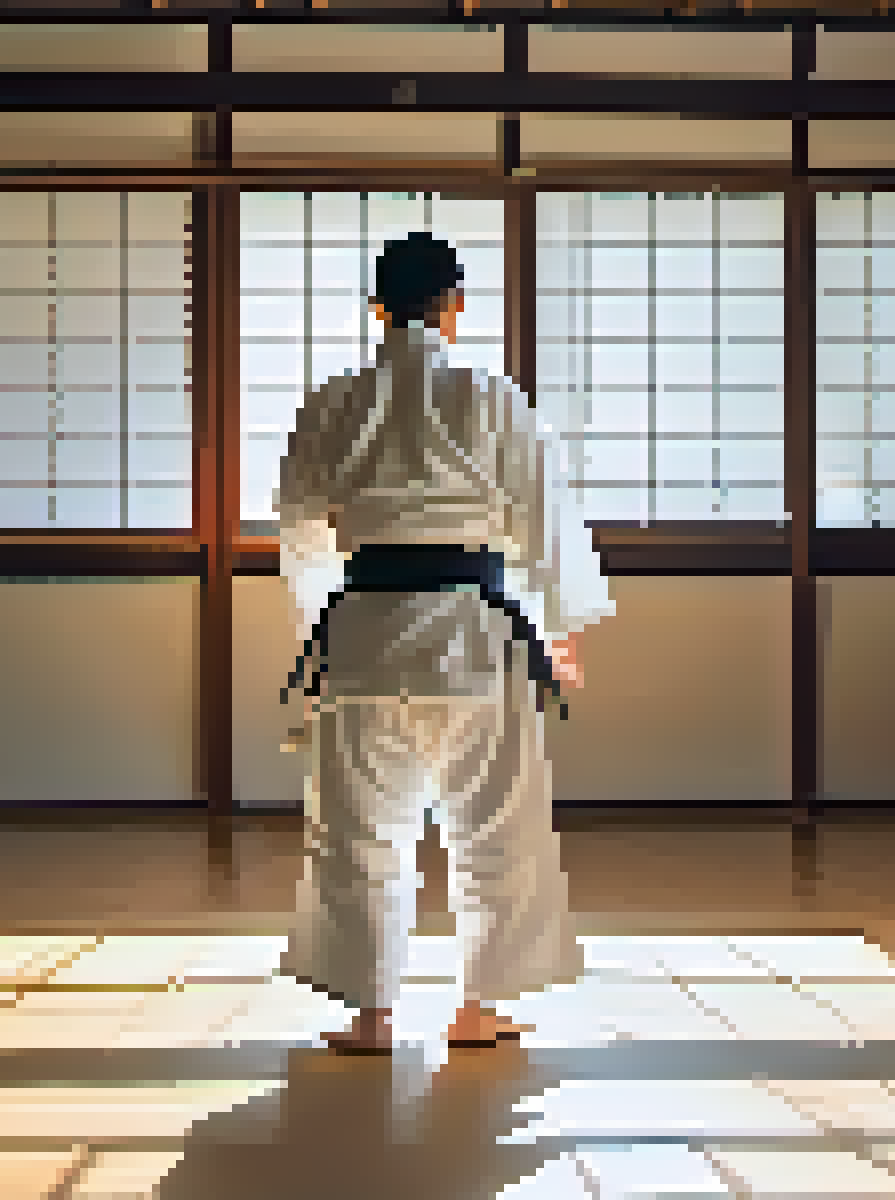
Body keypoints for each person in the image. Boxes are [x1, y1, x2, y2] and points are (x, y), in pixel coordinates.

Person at [273, 231, 612, 1053]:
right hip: (473, 637)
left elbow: (302, 533)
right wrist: (556, 627)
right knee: (495, 827)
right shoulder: (493, 396)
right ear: (455, 303)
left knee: (359, 835)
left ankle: (372, 1014)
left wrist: (320, 624)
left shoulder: (333, 401)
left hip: (361, 642)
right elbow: (543, 520)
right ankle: (479, 1007)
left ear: (377, 306)